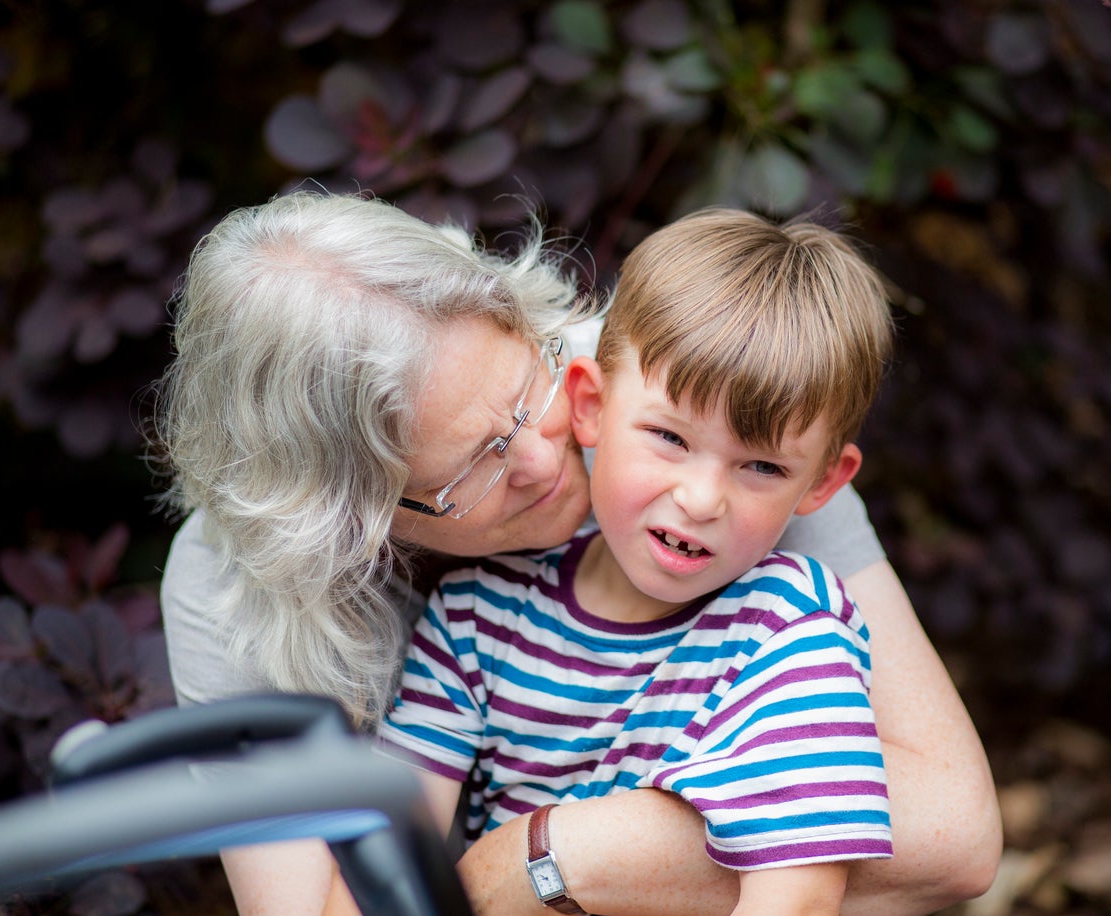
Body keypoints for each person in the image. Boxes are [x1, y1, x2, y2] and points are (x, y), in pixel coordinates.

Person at [154, 190, 1001, 916]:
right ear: (353, 518)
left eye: (528, 392)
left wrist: (542, 856)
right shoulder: (249, 589)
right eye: (476, 463)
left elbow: (952, 835)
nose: (543, 457)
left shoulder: (705, 397)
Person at [378, 209, 896, 915]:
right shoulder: (477, 617)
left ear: (821, 485)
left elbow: (796, 900)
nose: (701, 497)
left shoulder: (787, 630)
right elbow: (385, 864)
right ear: (589, 405)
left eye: (762, 467)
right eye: (669, 437)